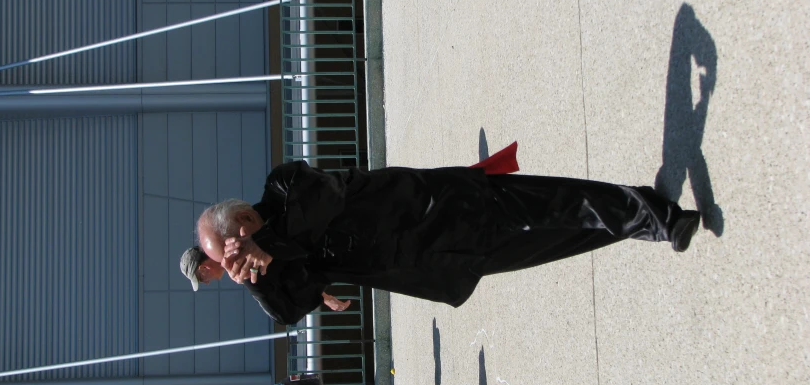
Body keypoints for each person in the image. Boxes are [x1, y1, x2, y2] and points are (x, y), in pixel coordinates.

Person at [191, 142, 699, 325]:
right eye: (227, 260)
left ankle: (658, 217)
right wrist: (255, 278)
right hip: (439, 258)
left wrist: (266, 247)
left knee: (554, 201)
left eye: (229, 248)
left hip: (443, 203)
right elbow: (288, 308)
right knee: (552, 242)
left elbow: (322, 204)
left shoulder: (285, 185)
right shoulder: (275, 263)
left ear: (238, 223)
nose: (235, 257)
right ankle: (638, 215)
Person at [178, 246, 351, 317]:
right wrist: (324, 297)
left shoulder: (243, 269)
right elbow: (287, 275)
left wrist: (322, 298)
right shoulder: (237, 249)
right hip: (323, 253)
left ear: (203, 269)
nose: (207, 283)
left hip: (324, 256)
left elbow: (283, 310)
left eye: (201, 279)